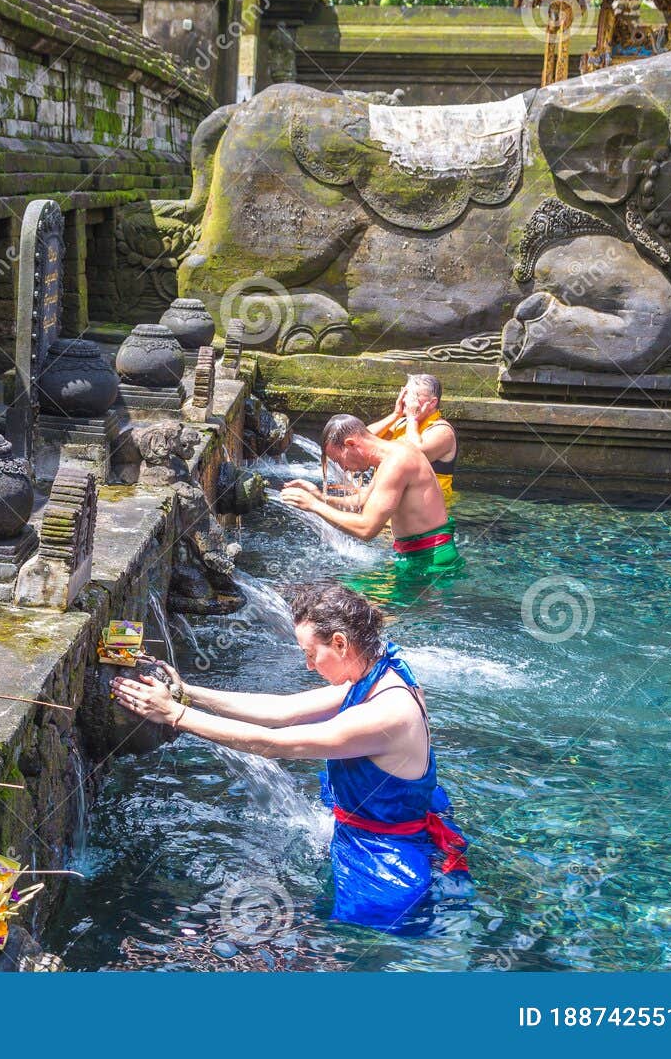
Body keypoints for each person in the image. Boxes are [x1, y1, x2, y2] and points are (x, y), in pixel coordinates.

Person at [110, 581, 470, 930]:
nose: (309, 666)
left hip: (384, 854)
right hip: (379, 821)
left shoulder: (385, 713)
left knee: (355, 944)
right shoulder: (379, 674)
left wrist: (176, 715)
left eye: (311, 654)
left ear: (341, 643)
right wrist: (187, 692)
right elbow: (284, 710)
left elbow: (275, 744)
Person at [279, 414, 459, 580]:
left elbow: (367, 529)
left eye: (339, 460)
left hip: (431, 564)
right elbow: (363, 500)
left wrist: (313, 505)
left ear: (351, 444)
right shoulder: (392, 454)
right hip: (416, 558)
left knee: (345, 600)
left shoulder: (396, 463)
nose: (343, 469)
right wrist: (319, 497)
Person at [371, 374, 457, 503]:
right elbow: (363, 440)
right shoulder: (401, 423)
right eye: (405, 393)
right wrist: (395, 414)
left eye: (413, 396)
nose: (406, 400)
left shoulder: (442, 431)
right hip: (390, 499)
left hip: (428, 508)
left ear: (432, 402)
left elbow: (414, 454)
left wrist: (412, 418)